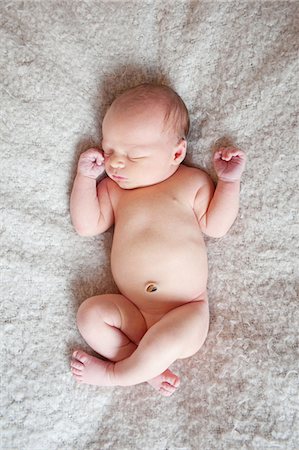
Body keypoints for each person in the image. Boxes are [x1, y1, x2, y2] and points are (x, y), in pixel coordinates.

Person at [70, 83, 246, 396]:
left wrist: (228, 182)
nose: (115, 163)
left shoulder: (190, 183)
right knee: (90, 314)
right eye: (109, 150)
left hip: (186, 311)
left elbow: (216, 226)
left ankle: (116, 375)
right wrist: (85, 179)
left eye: (133, 155)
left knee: (163, 342)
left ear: (176, 153)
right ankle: (143, 367)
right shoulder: (114, 191)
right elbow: (86, 226)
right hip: (135, 311)